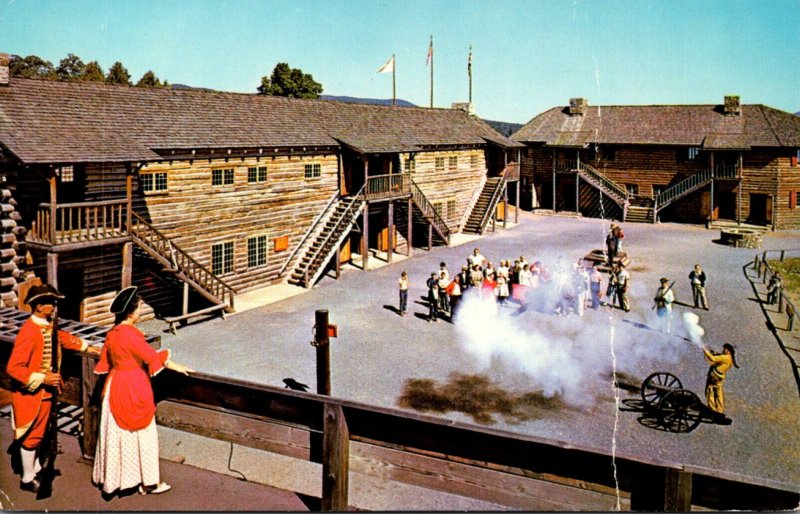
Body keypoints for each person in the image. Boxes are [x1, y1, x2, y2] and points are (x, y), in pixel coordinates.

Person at [92, 287, 195, 496]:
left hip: (114, 386)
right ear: (131, 313)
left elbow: (105, 362)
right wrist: (178, 366)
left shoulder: (112, 333)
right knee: (143, 434)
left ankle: (112, 480)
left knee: (117, 436)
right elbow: (151, 357)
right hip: (133, 386)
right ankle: (149, 483)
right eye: (138, 308)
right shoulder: (131, 335)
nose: (140, 312)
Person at [6, 284, 101, 493]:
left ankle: (35, 466)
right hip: (31, 394)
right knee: (31, 435)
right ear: (39, 307)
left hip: (45, 393)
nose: (54, 305)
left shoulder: (47, 326)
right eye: (50, 302)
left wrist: (87, 347)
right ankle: (27, 477)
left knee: (40, 432)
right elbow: (13, 368)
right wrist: (43, 378)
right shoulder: (29, 332)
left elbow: (63, 338)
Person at [703, 343, 739, 415]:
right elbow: (720, 357)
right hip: (720, 377)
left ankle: (712, 410)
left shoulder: (725, 357)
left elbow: (712, 359)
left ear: (728, 351)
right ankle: (719, 410)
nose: (723, 350)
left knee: (710, 391)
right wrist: (715, 353)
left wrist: (704, 350)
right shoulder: (729, 357)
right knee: (719, 394)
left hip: (714, 376)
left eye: (725, 349)